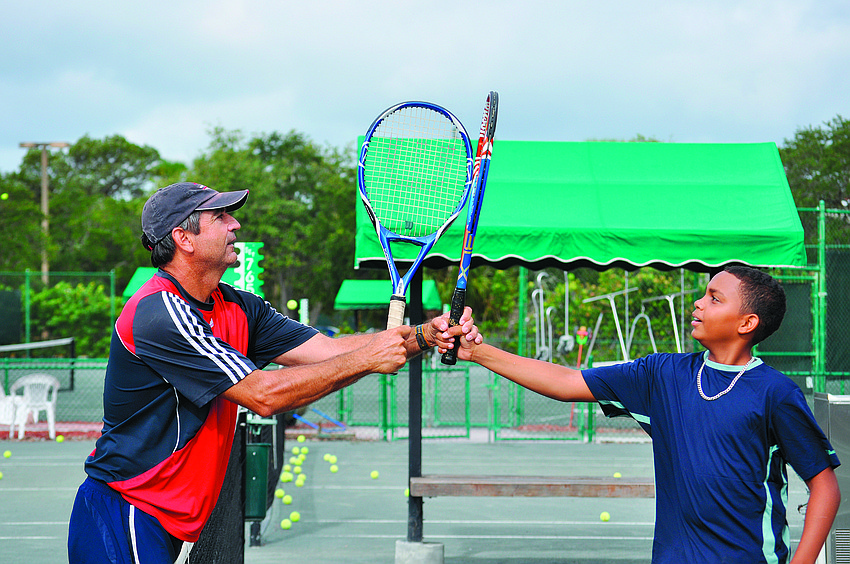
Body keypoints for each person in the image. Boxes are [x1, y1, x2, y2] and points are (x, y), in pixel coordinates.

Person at [67, 181, 481, 563]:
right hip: (125, 509)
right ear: (184, 238)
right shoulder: (158, 313)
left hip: (163, 515)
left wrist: (426, 335)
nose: (236, 224)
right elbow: (263, 395)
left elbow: (329, 351)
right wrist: (369, 357)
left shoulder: (241, 307)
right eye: (221, 216)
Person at [456, 266, 840, 564]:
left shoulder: (776, 393)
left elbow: (825, 486)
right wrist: (479, 353)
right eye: (703, 295)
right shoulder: (662, 375)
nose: (699, 304)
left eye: (714, 298)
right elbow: (566, 381)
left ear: (747, 323)